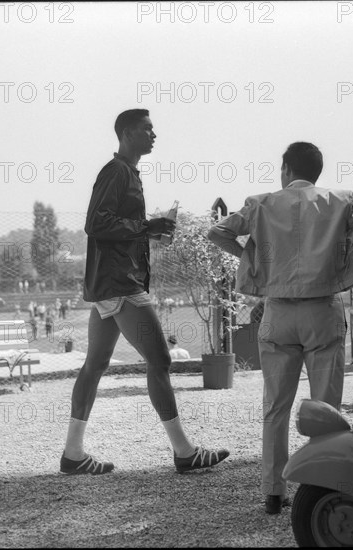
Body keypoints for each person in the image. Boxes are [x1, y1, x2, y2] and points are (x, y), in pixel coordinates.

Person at [208, 141, 353, 514]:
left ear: (286, 169)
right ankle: (323, 488)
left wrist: (251, 257)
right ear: (317, 171)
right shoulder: (340, 200)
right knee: (326, 406)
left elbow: (218, 232)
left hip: (277, 313)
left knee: (275, 407)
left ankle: (274, 492)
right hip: (322, 311)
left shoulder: (260, 203)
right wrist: (350, 258)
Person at [60, 108, 229, 476]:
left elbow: (116, 226)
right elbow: (96, 223)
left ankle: (73, 453)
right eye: (147, 129)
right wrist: (147, 224)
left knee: (96, 365)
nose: (155, 135)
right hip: (121, 282)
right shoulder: (117, 171)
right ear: (127, 133)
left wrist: (151, 230)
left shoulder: (125, 172)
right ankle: (184, 451)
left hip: (110, 282)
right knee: (161, 361)